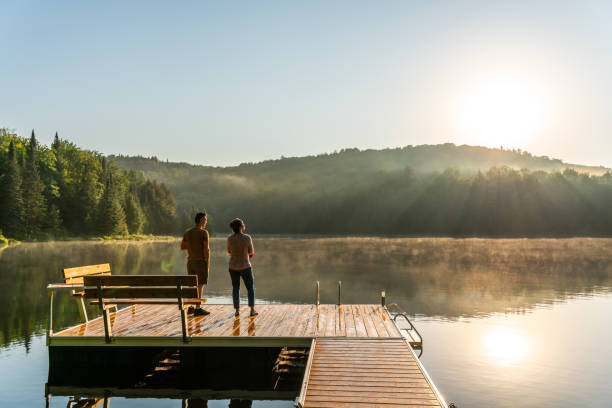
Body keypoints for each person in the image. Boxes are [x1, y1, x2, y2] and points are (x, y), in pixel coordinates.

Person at [181, 211, 210, 316]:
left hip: (190, 262)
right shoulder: (204, 233)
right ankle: (198, 308)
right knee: (200, 285)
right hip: (200, 262)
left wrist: (192, 245)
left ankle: (191, 307)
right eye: (205, 220)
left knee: (191, 284)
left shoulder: (187, 232)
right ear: (201, 221)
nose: (206, 222)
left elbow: (182, 247)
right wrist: (207, 263)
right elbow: (206, 250)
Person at [227, 218, 257, 317]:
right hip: (245, 266)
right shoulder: (247, 238)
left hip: (233, 267)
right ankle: (252, 310)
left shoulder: (230, 238)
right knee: (250, 288)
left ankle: (237, 310)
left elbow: (229, 251)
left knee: (235, 288)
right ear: (241, 227)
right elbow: (251, 252)